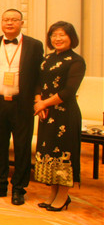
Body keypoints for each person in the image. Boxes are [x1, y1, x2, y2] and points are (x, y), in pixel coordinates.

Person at [0, 9, 43, 205]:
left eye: (14, 20)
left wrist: (38, 99)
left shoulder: (34, 45)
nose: (9, 23)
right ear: (1, 22)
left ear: (21, 23)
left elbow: (38, 76)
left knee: (22, 146)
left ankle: (19, 188)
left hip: (22, 104)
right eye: (6, 19)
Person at [33, 21, 86, 212]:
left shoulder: (76, 61)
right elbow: (37, 83)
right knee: (49, 152)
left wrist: (44, 104)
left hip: (65, 114)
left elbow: (69, 91)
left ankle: (63, 195)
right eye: (54, 35)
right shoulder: (47, 59)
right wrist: (38, 101)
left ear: (71, 37)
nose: (58, 38)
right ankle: (53, 193)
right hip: (47, 113)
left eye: (62, 35)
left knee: (63, 153)